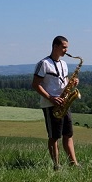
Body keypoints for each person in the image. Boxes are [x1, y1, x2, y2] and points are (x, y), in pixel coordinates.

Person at [32, 35, 80, 170]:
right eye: (64, 47)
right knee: (54, 137)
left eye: (66, 47)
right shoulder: (44, 63)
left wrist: (73, 82)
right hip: (50, 105)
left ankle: (73, 163)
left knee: (68, 134)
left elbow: (63, 81)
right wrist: (50, 97)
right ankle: (56, 165)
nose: (66, 50)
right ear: (55, 46)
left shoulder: (64, 64)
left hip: (64, 103)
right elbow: (35, 84)